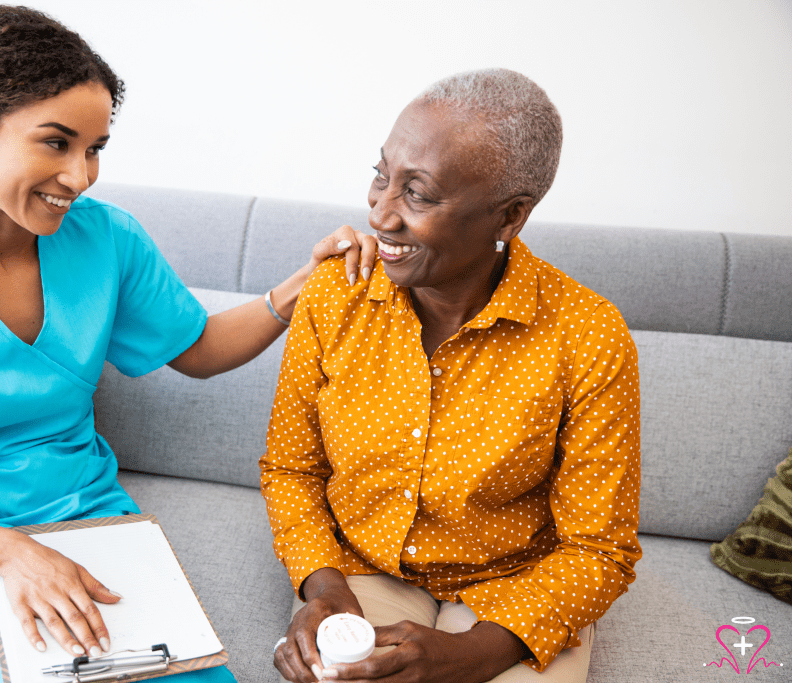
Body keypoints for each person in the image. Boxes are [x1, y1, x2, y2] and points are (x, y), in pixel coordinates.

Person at [0, 6, 376, 683]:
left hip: (70, 506)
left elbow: (200, 347)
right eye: (55, 142)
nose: (81, 175)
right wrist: (8, 551)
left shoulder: (106, 240)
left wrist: (303, 285)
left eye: (95, 147)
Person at [261, 68, 641, 683]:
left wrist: (466, 658)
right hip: (363, 569)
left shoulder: (587, 334)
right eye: (382, 176)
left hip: (515, 591)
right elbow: (291, 469)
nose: (381, 215)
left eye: (418, 194)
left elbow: (599, 549)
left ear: (509, 217)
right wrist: (322, 591)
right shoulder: (337, 292)